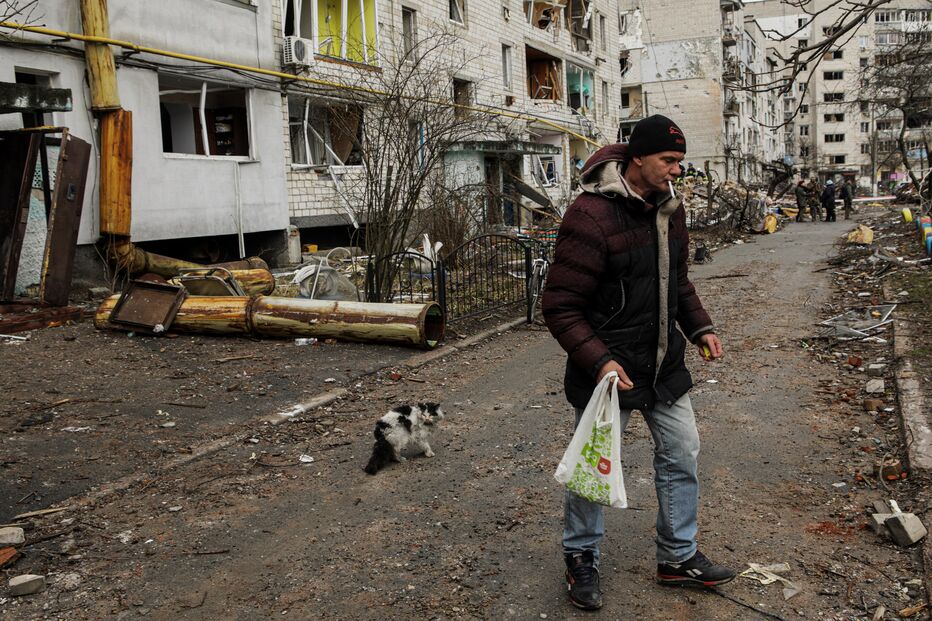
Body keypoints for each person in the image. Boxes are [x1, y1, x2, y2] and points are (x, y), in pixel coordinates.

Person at [542, 114, 735, 611]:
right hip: (608, 370)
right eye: (669, 161)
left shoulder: (672, 209)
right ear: (638, 158)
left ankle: (677, 557)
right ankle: (580, 557)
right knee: (594, 467)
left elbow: (679, 282)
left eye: (679, 162)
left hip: (662, 363)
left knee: (682, 452)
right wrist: (600, 361)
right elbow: (560, 306)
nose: (676, 170)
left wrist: (701, 328)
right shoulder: (589, 214)